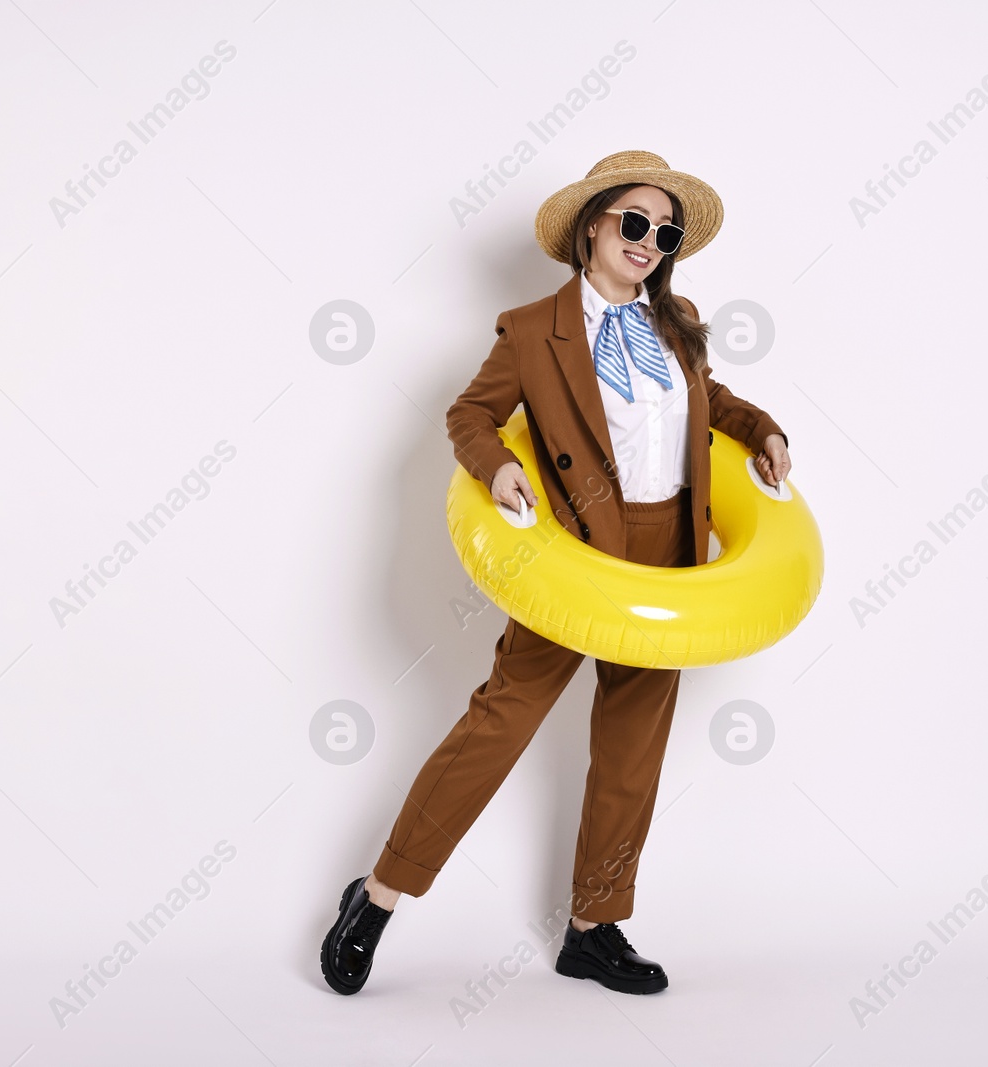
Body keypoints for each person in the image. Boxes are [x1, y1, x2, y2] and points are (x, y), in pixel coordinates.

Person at [321, 150, 791, 996]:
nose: (651, 241)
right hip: (573, 550)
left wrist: (761, 430)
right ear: (592, 229)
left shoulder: (676, 316)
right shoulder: (534, 328)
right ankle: (380, 893)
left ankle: (594, 925)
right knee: (497, 727)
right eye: (636, 223)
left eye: (666, 231)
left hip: (670, 552)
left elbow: (707, 404)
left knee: (630, 752)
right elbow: (470, 412)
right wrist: (495, 466)